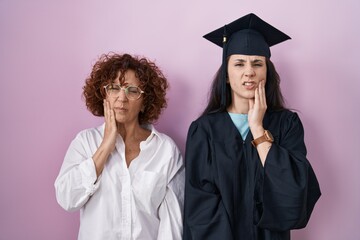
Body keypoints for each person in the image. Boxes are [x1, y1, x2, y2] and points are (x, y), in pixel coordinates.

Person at [183, 13, 321, 240]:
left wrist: (257, 128)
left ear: (267, 73)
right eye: (239, 64)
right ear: (227, 75)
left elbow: (294, 192)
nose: (249, 72)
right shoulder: (205, 130)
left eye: (258, 63)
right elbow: (200, 207)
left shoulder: (286, 125)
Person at [54, 53, 184, 240]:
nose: (121, 98)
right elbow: (67, 199)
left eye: (132, 91)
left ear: (144, 103)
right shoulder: (85, 142)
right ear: (104, 95)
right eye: (114, 88)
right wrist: (106, 145)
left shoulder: (165, 151)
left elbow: (172, 225)